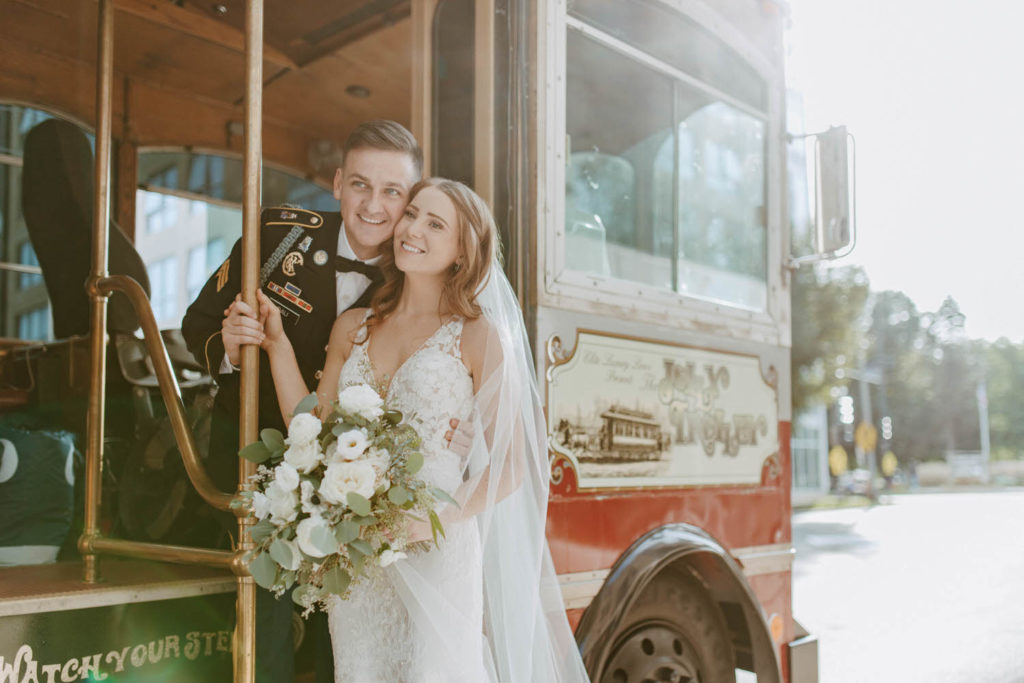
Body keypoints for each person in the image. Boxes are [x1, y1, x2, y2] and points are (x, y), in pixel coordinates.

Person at [255, 178, 590, 681]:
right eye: (411, 214)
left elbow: (514, 463)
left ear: (462, 251)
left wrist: (435, 517)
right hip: (360, 553)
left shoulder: (478, 336)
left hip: (437, 545)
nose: (411, 228)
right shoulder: (353, 326)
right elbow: (313, 430)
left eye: (435, 224)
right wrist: (277, 344)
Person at [181, 119, 423, 683]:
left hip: (356, 480)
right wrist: (234, 352)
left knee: (339, 627)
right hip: (253, 461)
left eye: (393, 192)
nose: (374, 206)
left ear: (410, 203)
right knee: (261, 621)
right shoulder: (276, 235)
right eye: (361, 185)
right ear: (337, 183)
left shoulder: (416, 274)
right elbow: (196, 329)